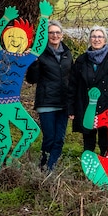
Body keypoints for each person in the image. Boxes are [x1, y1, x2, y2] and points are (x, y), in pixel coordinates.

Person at [0, 1, 51, 174]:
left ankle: (13, 160)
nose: (15, 41)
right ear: (5, 39)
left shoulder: (24, 60)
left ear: (26, 42)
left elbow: (39, 45)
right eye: (11, 37)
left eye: (20, 38)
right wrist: (5, 19)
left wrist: (44, 18)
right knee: (4, 141)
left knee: (32, 131)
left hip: (12, 105)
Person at [25, 20, 73, 172]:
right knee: (49, 137)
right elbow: (31, 79)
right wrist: (34, 63)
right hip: (46, 102)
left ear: (62, 35)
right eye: (51, 33)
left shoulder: (67, 53)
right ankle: (44, 163)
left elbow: (72, 78)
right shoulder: (39, 53)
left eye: (57, 32)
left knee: (59, 139)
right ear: (46, 36)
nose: (54, 35)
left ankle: (50, 168)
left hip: (64, 102)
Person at [68, 26, 108, 157]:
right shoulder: (81, 60)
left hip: (107, 107)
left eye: (100, 37)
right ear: (89, 39)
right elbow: (73, 85)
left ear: (105, 40)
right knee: (88, 142)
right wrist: (71, 108)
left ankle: (107, 170)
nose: (96, 39)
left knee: (106, 142)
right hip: (87, 106)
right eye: (94, 37)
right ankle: (90, 170)